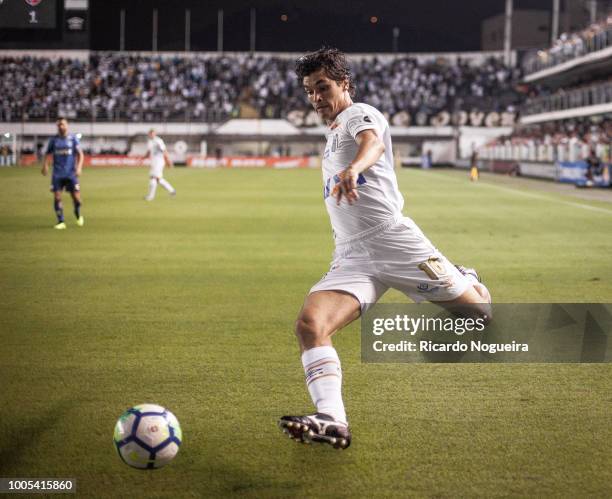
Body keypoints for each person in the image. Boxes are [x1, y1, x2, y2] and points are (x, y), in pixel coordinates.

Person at [278, 48, 491, 450]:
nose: (316, 97)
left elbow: (372, 143)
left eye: (322, 87)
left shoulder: (360, 113)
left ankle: (465, 277)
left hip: (395, 242)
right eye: (309, 91)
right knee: (310, 326)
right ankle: (333, 420)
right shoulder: (331, 132)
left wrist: (355, 169)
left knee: (480, 315)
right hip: (352, 256)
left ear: (343, 83)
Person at [41, 117, 84, 229]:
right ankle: (61, 221)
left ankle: (78, 213)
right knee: (57, 197)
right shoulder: (54, 140)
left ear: (67, 125)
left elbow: (80, 154)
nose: (61, 126)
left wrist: (79, 167)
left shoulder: (73, 139)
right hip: (57, 174)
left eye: (63, 124)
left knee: (77, 199)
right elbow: (47, 153)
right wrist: (45, 165)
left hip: (71, 174)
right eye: (59, 125)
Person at [143, 129, 176, 201]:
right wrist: (143, 157)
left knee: (153, 178)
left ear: (155, 134)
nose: (151, 135)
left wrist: (168, 161)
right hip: (154, 162)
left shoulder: (158, 141)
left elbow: (164, 150)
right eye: (150, 134)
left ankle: (150, 197)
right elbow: (149, 151)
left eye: (152, 134)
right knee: (158, 179)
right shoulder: (150, 142)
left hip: (159, 161)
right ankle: (172, 191)